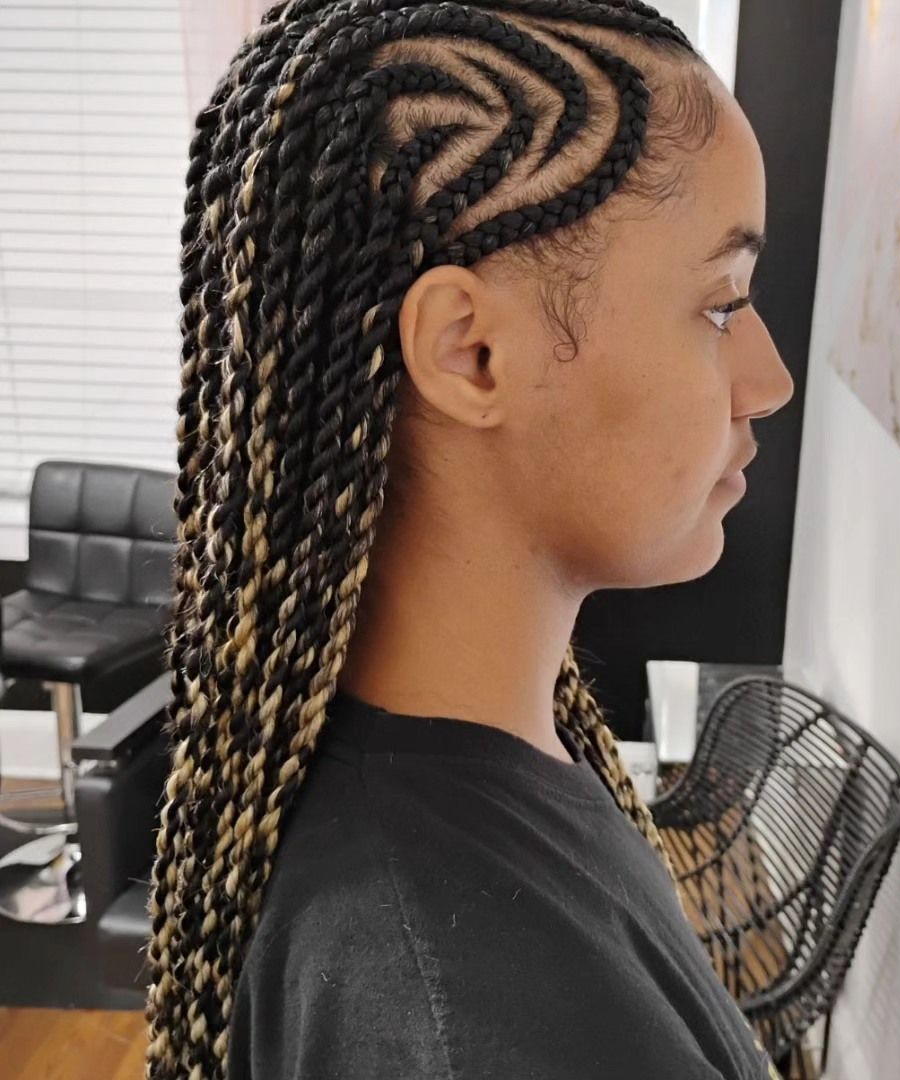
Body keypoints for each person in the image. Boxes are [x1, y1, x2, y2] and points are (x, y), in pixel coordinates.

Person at [143, 0, 795, 1076]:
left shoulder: (474, 777)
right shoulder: (475, 1019)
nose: (766, 382)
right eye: (722, 304)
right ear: (472, 352)